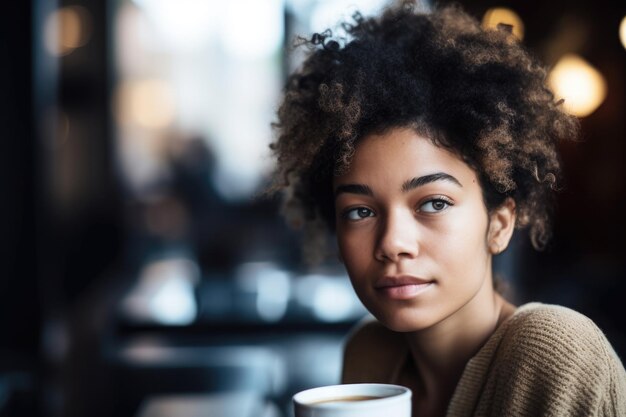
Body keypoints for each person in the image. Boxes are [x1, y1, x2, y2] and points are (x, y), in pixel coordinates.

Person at [270, 2, 626, 416]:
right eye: (359, 211)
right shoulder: (370, 353)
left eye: (434, 203)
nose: (392, 244)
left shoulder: (554, 352)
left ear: (499, 223)